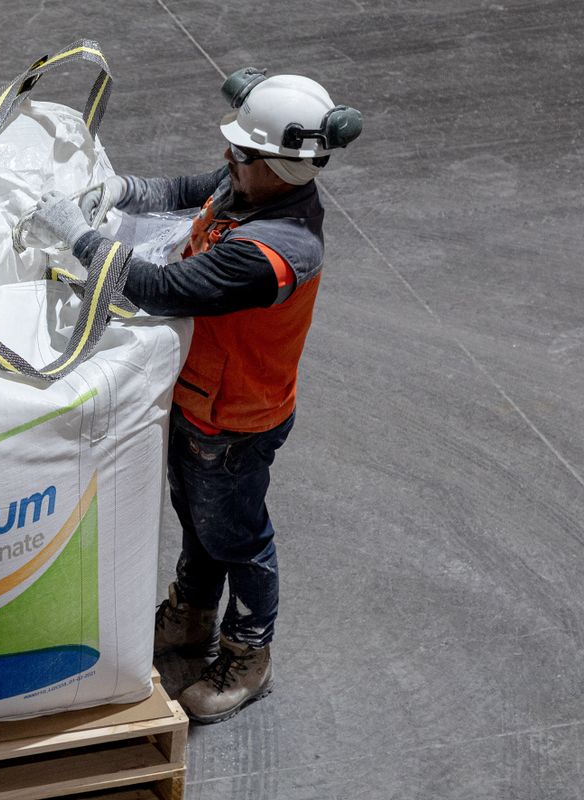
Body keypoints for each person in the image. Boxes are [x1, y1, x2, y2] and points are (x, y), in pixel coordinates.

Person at [29, 68, 362, 724]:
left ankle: (249, 653)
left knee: (237, 536)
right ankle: (189, 623)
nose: (226, 159)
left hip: (236, 419)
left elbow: (156, 288)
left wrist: (80, 237)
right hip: (202, 397)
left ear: (282, 165)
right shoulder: (253, 184)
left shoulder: (272, 251)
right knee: (199, 522)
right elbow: (189, 189)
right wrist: (122, 190)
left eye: (241, 151)